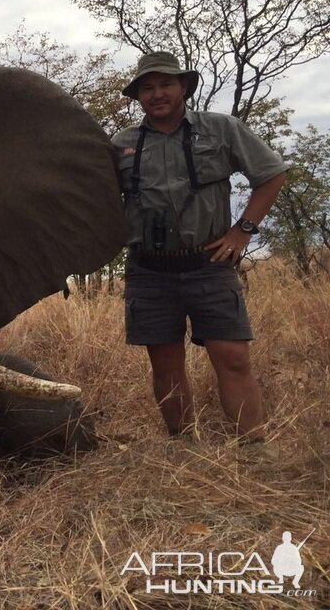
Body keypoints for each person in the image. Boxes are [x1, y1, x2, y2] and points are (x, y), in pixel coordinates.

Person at [112, 52, 287, 441]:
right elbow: (95, 202)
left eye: (166, 84)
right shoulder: (120, 144)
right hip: (149, 270)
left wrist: (242, 231)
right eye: (147, 87)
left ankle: (255, 448)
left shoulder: (221, 128)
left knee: (234, 358)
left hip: (210, 263)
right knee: (166, 365)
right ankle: (183, 447)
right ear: (138, 95)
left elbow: (272, 174)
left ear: (184, 87)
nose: (157, 94)